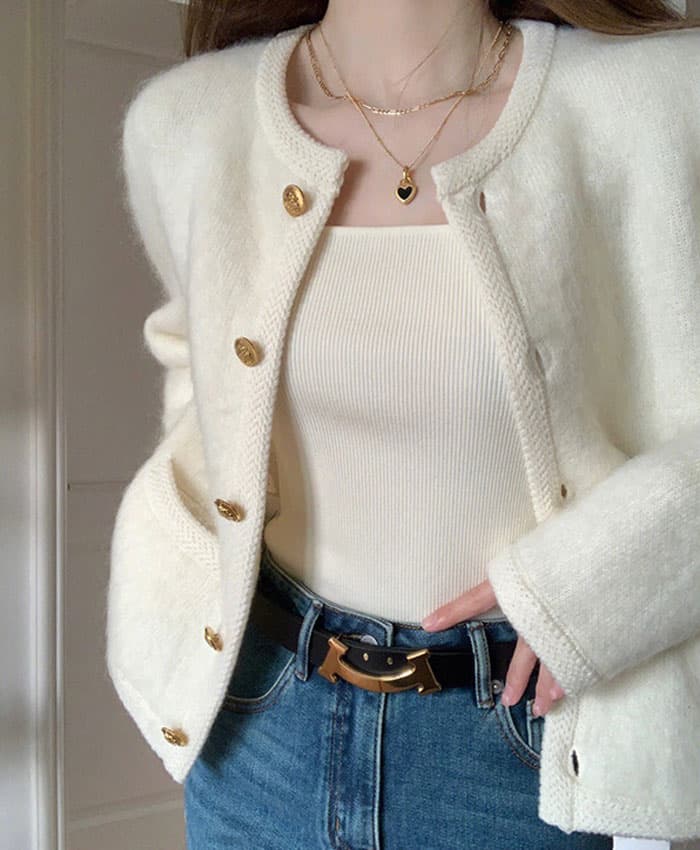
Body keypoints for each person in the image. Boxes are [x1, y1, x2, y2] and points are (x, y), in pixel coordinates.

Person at [105, 1, 700, 848]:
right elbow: (194, 374)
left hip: (527, 747)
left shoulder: (661, 101)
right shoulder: (186, 123)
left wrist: (596, 588)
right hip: (256, 733)